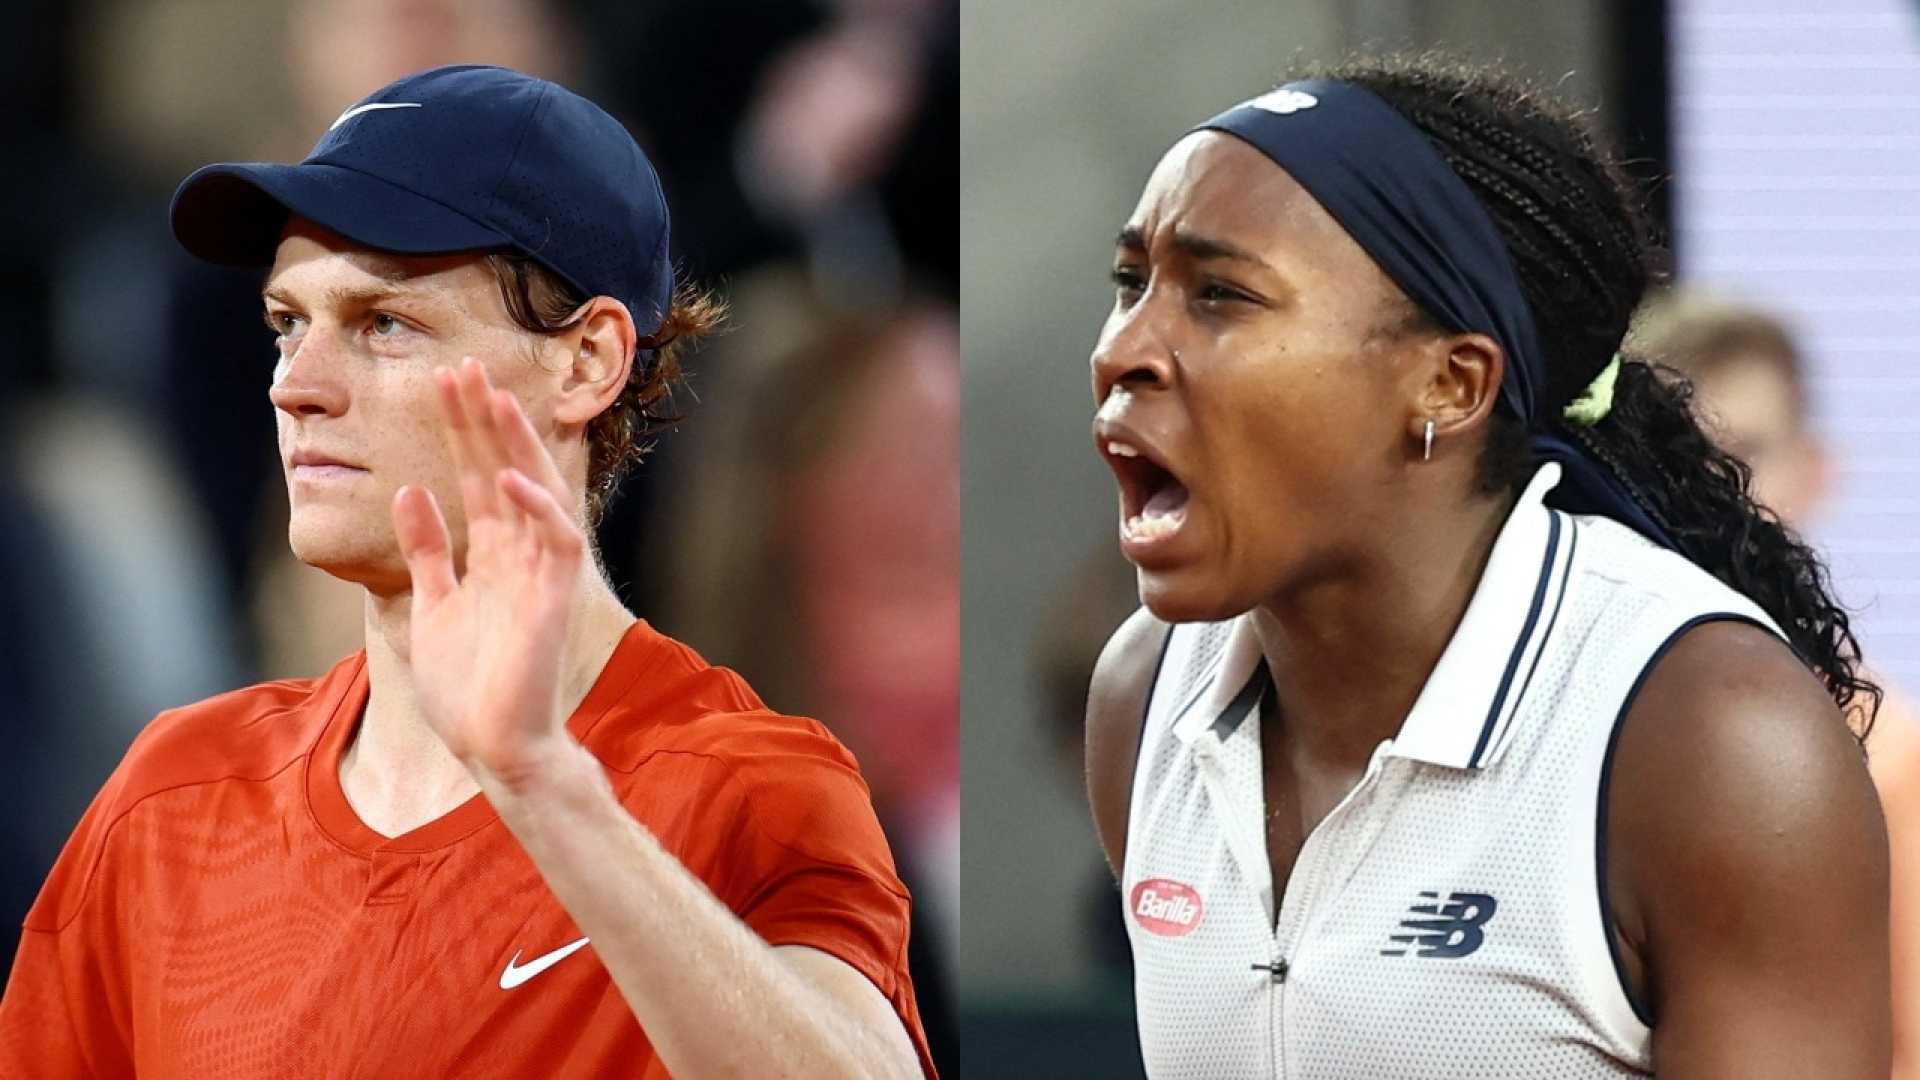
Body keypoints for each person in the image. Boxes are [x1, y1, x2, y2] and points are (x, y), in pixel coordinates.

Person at [0, 65, 932, 1079]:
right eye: (287, 324)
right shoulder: (172, 799)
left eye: (383, 324)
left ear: (587, 360)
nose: (296, 386)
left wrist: (545, 787)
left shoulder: (748, 789)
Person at [1082, 56, 1889, 1078]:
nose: (1125, 349)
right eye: (1131, 283)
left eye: (1220, 295)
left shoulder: (1714, 741)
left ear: (1450, 384)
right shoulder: (1143, 697)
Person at [1635, 289, 1920, 1079]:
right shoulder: (1563, 716)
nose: (1718, 487)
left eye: (1748, 452)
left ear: (1815, 471)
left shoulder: (1888, 757)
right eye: (1683, 454)